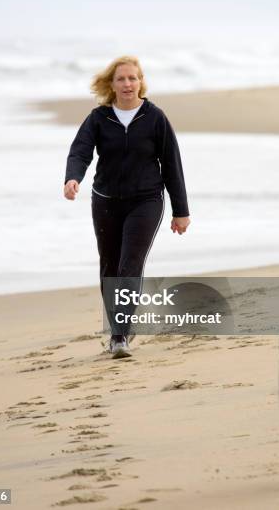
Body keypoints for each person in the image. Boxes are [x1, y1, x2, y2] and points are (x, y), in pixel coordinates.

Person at [64, 56, 190, 358]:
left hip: (146, 201)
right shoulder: (99, 118)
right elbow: (80, 151)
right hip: (105, 200)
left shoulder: (154, 117)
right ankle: (117, 326)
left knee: (129, 266)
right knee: (109, 267)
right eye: (121, 79)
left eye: (133, 78)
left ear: (140, 81)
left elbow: (172, 164)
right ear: (112, 84)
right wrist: (72, 177)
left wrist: (180, 210)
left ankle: (120, 336)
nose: (127, 84)